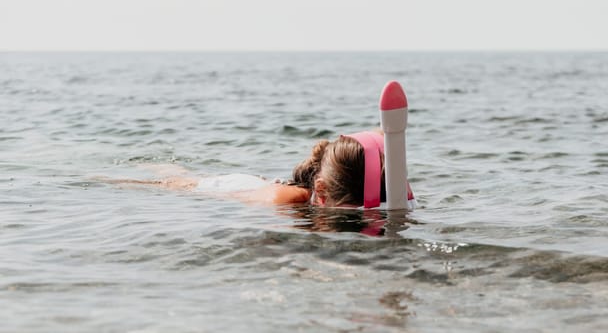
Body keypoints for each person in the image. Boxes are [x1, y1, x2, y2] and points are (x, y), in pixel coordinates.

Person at [102, 130, 410, 209]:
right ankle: (106, 174)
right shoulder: (286, 201)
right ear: (322, 191)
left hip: (266, 183)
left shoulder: (357, 190)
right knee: (170, 182)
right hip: (232, 187)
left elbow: (382, 142)